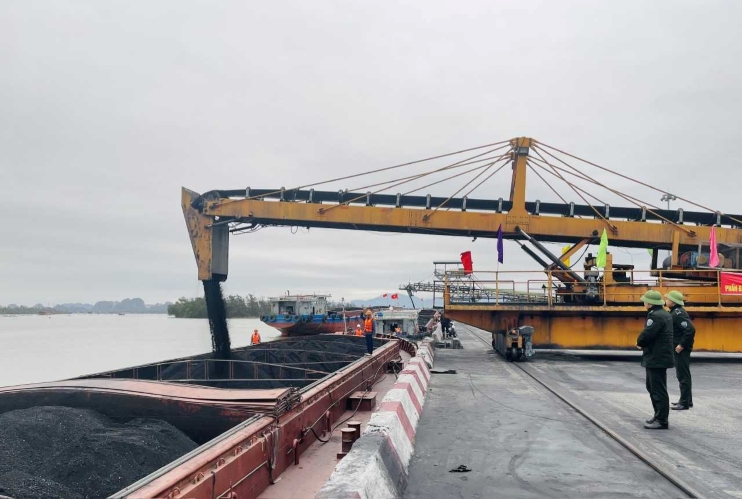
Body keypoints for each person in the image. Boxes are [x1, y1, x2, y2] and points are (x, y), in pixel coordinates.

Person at [636, 290, 675, 429]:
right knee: (653, 387)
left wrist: (639, 342)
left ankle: (662, 420)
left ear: (650, 303)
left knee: (657, 389)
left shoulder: (656, 316)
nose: (644, 303)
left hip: (656, 357)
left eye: (645, 301)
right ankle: (658, 416)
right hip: (659, 356)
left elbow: (647, 334)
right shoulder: (664, 314)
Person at [665, 290, 695, 410]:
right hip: (679, 348)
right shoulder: (675, 312)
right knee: (683, 374)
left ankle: (684, 403)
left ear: (673, 301)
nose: (666, 300)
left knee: (683, 375)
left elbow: (690, 329)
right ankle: (687, 400)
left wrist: (681, 345)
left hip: (681, 349)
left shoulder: (678, 313)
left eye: (667, 299)